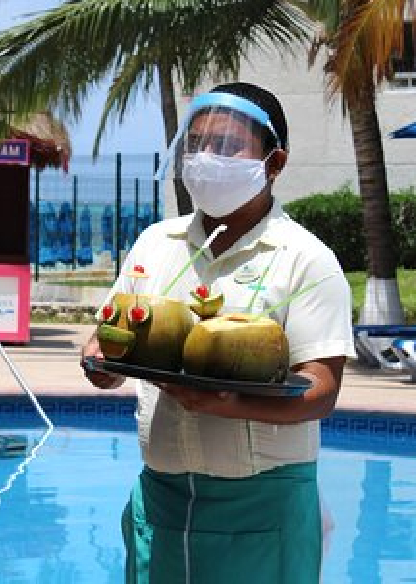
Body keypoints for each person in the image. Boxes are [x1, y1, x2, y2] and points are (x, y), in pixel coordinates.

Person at [80, 82, 356, 583]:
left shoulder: (306, 260)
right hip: (161, 502)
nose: (207, 158)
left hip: (262, 505)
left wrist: (225, 403)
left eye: (228, 146)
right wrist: (103, 361)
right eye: (197, 143)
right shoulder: (155, 244)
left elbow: (321, 390)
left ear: (274, 164)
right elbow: (112, 337)